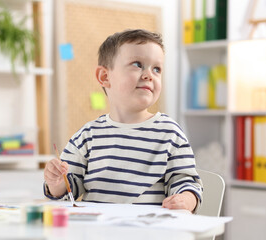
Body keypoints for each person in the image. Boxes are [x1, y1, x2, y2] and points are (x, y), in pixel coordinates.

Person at [44, 29, 203, 212]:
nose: (149, 75)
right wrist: (56, 183)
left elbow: (186, 181)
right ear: (105, 77)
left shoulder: (170, 133)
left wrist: (186, 200)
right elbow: (68, 188)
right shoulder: (87, 136)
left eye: (156, 69)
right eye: (137, 64)